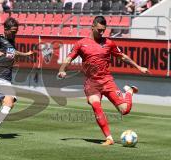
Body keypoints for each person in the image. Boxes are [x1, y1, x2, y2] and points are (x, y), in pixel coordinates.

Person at [57, 16, 150, 145]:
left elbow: (123, 57)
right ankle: (109, 138)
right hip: (92, 82)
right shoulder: (81, 43)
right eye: (99, 30)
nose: (101, 33)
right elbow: (68, 58)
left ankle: (129, 91)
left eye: (103, 30)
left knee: (125, 110)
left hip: (107, 81)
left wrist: (139, 67)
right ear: (93, 27)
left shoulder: (109, 43)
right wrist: (62, 70)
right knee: (96, 105)